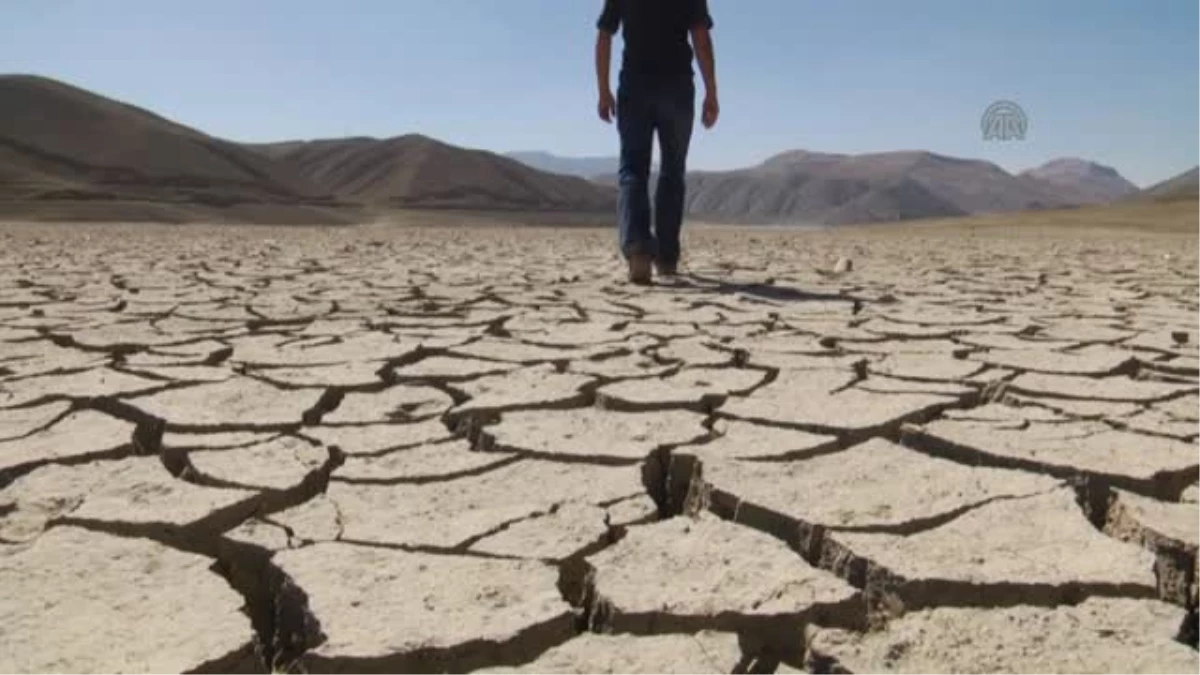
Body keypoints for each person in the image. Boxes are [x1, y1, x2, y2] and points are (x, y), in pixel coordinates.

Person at [595, 0, 719, 285]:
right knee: (672, 171)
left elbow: (604, 35)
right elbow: (701, 37)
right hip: (677, 87)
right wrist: (711, 91)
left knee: (633, 169)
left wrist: (603, 90)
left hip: (635, 86)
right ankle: (665, 258)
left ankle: (638, 247)